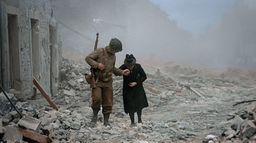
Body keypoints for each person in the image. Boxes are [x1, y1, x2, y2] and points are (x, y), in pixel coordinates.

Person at [85, 38, 130, 126]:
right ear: (112, 48)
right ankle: (94, 117)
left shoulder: (113, 56)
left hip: (108, 82)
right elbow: (88, 58)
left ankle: (106, 121)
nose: (116, 52)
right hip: (97, 80)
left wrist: (121, 72)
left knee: (108, 102)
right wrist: (97, 65)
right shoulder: (99, 51)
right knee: (97, 99)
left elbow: (112, 68)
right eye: (116, 50)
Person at [119, 54, 148, 126]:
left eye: (131, 65)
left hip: (138, 89)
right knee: (130, 106)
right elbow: (116, 72)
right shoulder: (123, 67)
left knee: (139, 105)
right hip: (127, 89)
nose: (130, 67)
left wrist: (136, 83)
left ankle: (139, 120)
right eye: (128, 65)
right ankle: (132, 122)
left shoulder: (138, 66)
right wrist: (122, 72)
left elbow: (144, 76)